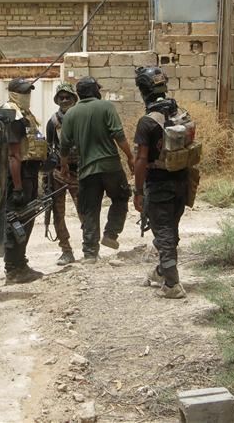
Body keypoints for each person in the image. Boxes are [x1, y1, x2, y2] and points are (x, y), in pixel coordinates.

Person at [59, 76, 134, 262]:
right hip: (110, 166)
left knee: (90, 209)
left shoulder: (70, 114)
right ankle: (111, 234)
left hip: (87, 171)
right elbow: (118, 135)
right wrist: (130, 156)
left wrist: (64, 165)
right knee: (121, 197)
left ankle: (90, 253)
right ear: (95, 91)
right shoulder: (106, 107)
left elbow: (64, 146)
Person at [132, 66, 189, 299]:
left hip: (159, 185)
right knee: (170, 230)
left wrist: (137, 191)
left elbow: (141, 160)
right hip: (182, 182)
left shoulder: (147, 122)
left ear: (144, 90)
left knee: (163, 232)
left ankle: (173, 284)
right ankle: (160, 272)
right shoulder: (181, 114)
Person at [1, 77, 47, 284]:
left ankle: (20, 263)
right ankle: (13, 269)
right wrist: (18, 188)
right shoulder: (13, 117)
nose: (27, 96)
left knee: (26, 220)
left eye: (29, 92)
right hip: (17, 179)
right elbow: (13, 156)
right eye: (23, 92)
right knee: (17, 222)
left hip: (28, 174)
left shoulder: (25, 115)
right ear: (13, 93)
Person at [45, 82, 80, 266]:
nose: (65, 100)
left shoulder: (82, 118)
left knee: (85, 211)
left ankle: (90, 248)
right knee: (58, 213)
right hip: (58, 173)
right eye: (61, 98)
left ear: (74, 99)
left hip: (79, 172)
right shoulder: (53, 122)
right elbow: (49, 149)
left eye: (68, 97)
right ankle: (66, 250)